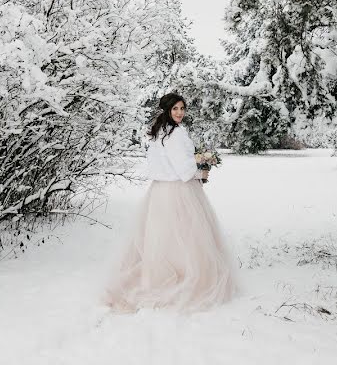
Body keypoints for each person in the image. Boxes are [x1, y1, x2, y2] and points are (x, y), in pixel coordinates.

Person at [102, 92, 238, 312]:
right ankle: (181, 279)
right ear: (166, 110)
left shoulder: (158, 133)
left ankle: (157, 275)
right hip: (178, 191)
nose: (180, 113)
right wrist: (200, 171)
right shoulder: (176, 134)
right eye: (175, 109)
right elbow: (183, 168)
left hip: (159, 192)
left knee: (162, 238)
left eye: (182, 108)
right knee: (185, 237)